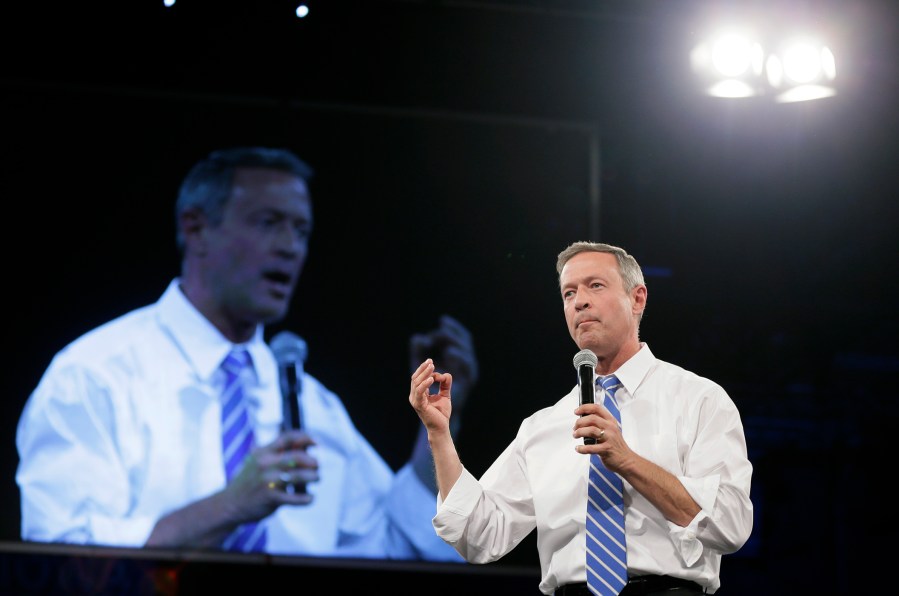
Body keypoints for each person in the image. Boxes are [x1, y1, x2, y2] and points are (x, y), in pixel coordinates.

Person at [16, 146, 478, 561]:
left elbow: (395, 550)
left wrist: (437, 428)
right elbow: (59, 559)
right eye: (268, 222)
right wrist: (231, 506)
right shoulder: (95, 375)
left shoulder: (315, 408)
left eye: (301, 230)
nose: (290, 247)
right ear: (195, 228)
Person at [409, 241, 753, 594]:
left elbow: (730, 524)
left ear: (637, 299)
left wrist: (627, 461)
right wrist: (438, 433)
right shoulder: (543, 426)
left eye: (596, 285)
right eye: (568, 293)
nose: (579, 301)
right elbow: (477, 535)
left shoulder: (698, 400)